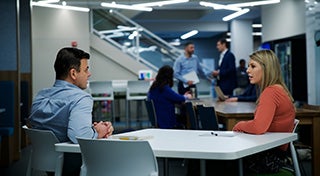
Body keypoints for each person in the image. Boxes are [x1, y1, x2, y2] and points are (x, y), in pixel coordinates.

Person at [28, 47, 114, 175]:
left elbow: (56, 126)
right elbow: (79, 136)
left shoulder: (40, 96)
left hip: (48, 166)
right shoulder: (81, 98)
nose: (89, 74)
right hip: (73, 164)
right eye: (86, 70)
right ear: (73, 73)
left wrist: (90, 128)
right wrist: (99, 131)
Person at [233, 49, 295, 174]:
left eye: (253, 66)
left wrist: (239, 125)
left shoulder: (270, 92)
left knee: (208, 163)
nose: (247, 70)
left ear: (266, 69)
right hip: (275, 154)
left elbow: (258, 127)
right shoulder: (279, 89)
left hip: (268, 157)